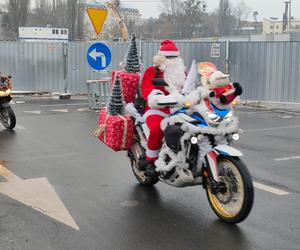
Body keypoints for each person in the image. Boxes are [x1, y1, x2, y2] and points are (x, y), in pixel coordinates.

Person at [141, 40, 186, 176]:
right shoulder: (152, 71)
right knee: (156, 129)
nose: (172, 60)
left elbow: (189, 87)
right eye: (169, 57)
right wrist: (157, 96)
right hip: (157, 109)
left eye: (174, 57)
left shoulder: (182, 72)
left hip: (178, 109)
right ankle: (151, 160)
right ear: (161, 58)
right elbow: (147, 89)